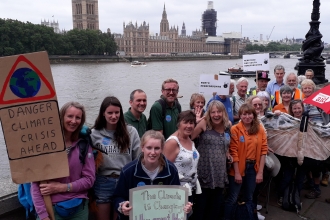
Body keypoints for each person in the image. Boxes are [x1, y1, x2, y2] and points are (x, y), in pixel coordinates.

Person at [31, 102, 95, 220]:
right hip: (51, 208)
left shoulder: (84, 145)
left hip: (79, 208)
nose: (74, 121)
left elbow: (89, 180)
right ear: (61, 117)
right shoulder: (45, 145)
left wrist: (62, 187)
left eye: (78, 118)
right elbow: (35, 185)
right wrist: (43, 215)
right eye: (70, 116)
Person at [112, 130, 193, 220]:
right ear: (142, 148)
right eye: (149, 148)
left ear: (162, 149)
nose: (153, 152)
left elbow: (177, 199)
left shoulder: (171, 169)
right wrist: (122, 206)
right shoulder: (128, 171)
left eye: (157, 148)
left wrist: (186, 207)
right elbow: (117, 197)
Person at [91, 96, 140, 220]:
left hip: (125, 181)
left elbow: (138, 160)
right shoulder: (93, 134)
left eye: (117, 112)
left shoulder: (131, 132)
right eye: (110, 113)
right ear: (103, 113)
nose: (114, 116)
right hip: (103, 182)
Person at [225, 104, 268, 220]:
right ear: (240, 115)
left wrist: (260, 172)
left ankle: (248, 216)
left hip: (253, 168)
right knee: (233, 198)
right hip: (238, 167)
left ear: (254, 116)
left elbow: (264, 150)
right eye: (244, 114)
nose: (247, 117)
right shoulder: (235, 129)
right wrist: (237, 173)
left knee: (249, 197)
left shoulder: (259, 129)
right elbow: (233, 151)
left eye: (250, 114)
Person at [191, 100, 232, 219]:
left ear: (223, 112)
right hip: (204, 170)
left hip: (219, 172)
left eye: (219, 112)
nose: (216, 115)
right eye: (213, 112)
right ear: (209, 113)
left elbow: (226, 144)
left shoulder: (227, 125)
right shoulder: (204, 123)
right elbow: (189, 137)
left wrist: (228, 154)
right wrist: (195, 122)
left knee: (216, 206)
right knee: (201, 206)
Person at [163, 110, 200, 217]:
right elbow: (165, 169)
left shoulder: (190, 139)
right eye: (186, 122)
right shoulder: (173, 142)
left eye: (192, 123)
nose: (189, 126)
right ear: (178, 124)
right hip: (177, 193)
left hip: (191, 190)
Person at [301, 79, 330, 196]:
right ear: (302, 90)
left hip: (319, 134)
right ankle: (310, 182)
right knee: (307, 161)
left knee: (316, 162)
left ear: (313, 89)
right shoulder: (302, 102)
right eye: (305, 88)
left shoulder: (319, 100)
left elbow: (326, 115)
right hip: (308, 135)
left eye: (309, 88)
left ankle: (316, 188)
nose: (307, 90)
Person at [276, 99, 306, 206]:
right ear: (291, 110)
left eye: (299, 108)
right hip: (289, 154)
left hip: (303, 154)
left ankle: (295, 196)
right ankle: (280, 195)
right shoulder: (287, 120)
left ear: (302, 108)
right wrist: (277, 114)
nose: (297, 110)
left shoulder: (307, 120)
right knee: (287, 177)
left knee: (300, 178)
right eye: (295, 108)